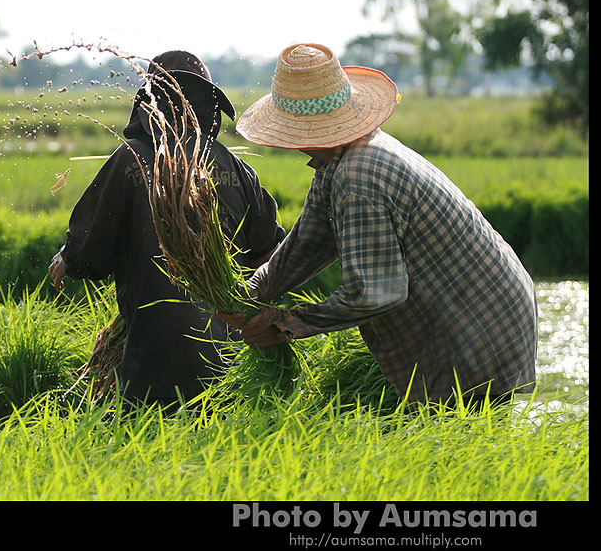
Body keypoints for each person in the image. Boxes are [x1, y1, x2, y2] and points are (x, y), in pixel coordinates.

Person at [219, 43, 538, 407]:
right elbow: (308, 241)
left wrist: (283, 324)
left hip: (480, 324)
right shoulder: (340, 161)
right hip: (484, 306)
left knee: (457, 432)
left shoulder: (358, 176)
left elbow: (374, 293)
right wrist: (253, 290)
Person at [49, 50, 286, 409]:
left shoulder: (130, 160)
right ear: (207, 105)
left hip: (151, 369)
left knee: (146, 451)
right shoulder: (234, 166)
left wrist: (68, 258)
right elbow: (271, 252)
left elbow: (89, 254)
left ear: (150, 102)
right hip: (231, 367)